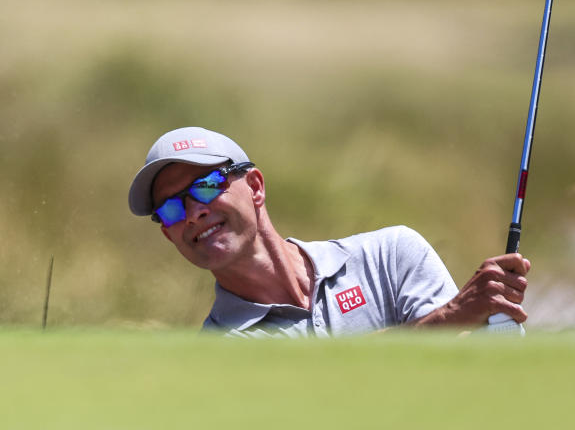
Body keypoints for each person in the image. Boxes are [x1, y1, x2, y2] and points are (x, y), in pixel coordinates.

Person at [128, 126, 531, 337]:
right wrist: (454, 317)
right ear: (168, 233)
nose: (194, 212)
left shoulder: (391, 254)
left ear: (254, 187)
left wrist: (482, 322)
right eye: (171, 207)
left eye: (207, 185)